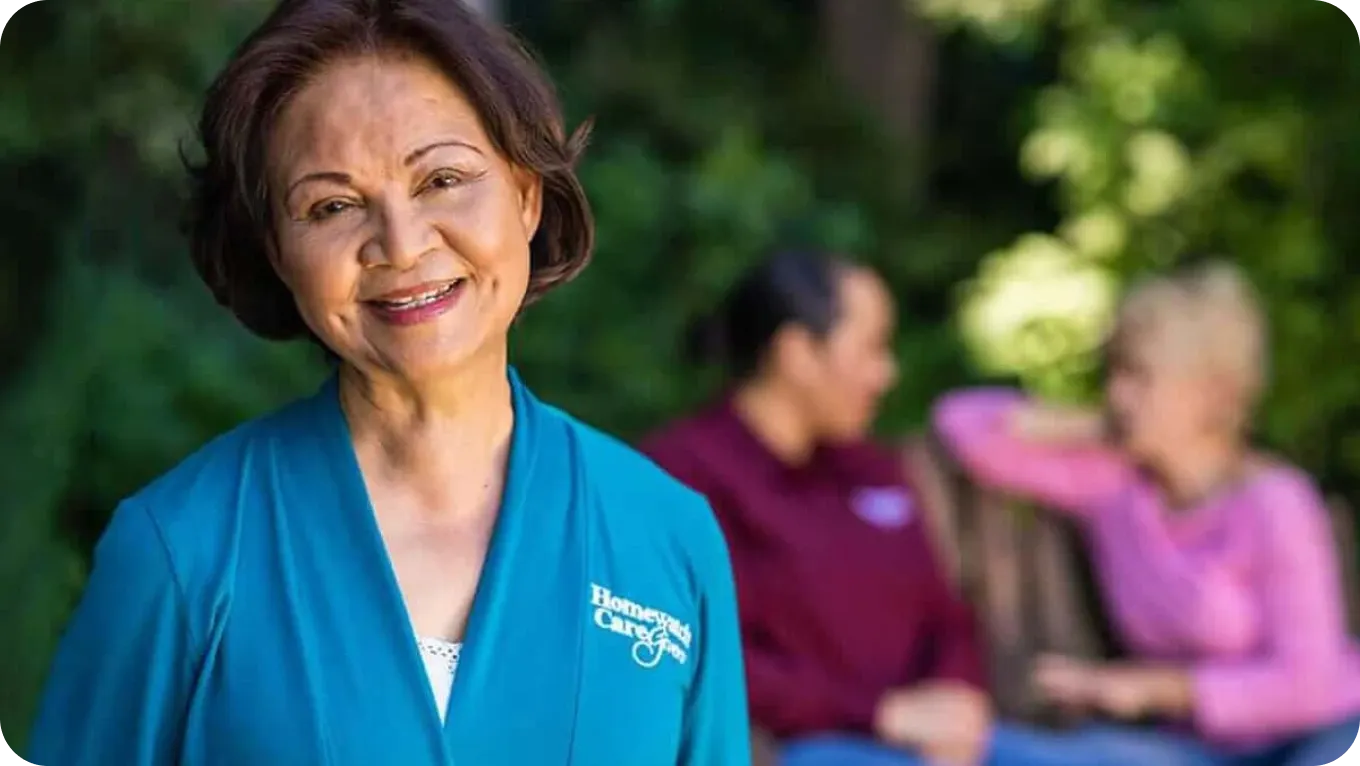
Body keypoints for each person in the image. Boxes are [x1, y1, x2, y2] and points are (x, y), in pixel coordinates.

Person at [25, 1, 749, 764]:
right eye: (332, 205)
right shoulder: (181, 551)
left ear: (528, 197)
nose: (402, 246)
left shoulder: (665, 535)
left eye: (443, 179)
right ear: (277, 252)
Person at [932, 261, 1360, 765]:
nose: (1117, 393)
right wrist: (1090, 425)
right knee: (1019, 749)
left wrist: (1155, 690)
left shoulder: (1275, 503)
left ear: (1214, 392)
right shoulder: (1114, 489)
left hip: (1321, 737)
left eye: (1140, 376)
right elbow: (962, 425)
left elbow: (1308, 686)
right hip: (1188, 752)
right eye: (1115, 372)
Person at [642, 251, 1006, 766]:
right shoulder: (682, 477)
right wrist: (879, 713)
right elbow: (695, 656)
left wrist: (957, 698)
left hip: (936, 745)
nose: (887, 374)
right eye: (872, 349)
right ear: (798, 354)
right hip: (801, 746)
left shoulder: (872, 469)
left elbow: (947, 618)